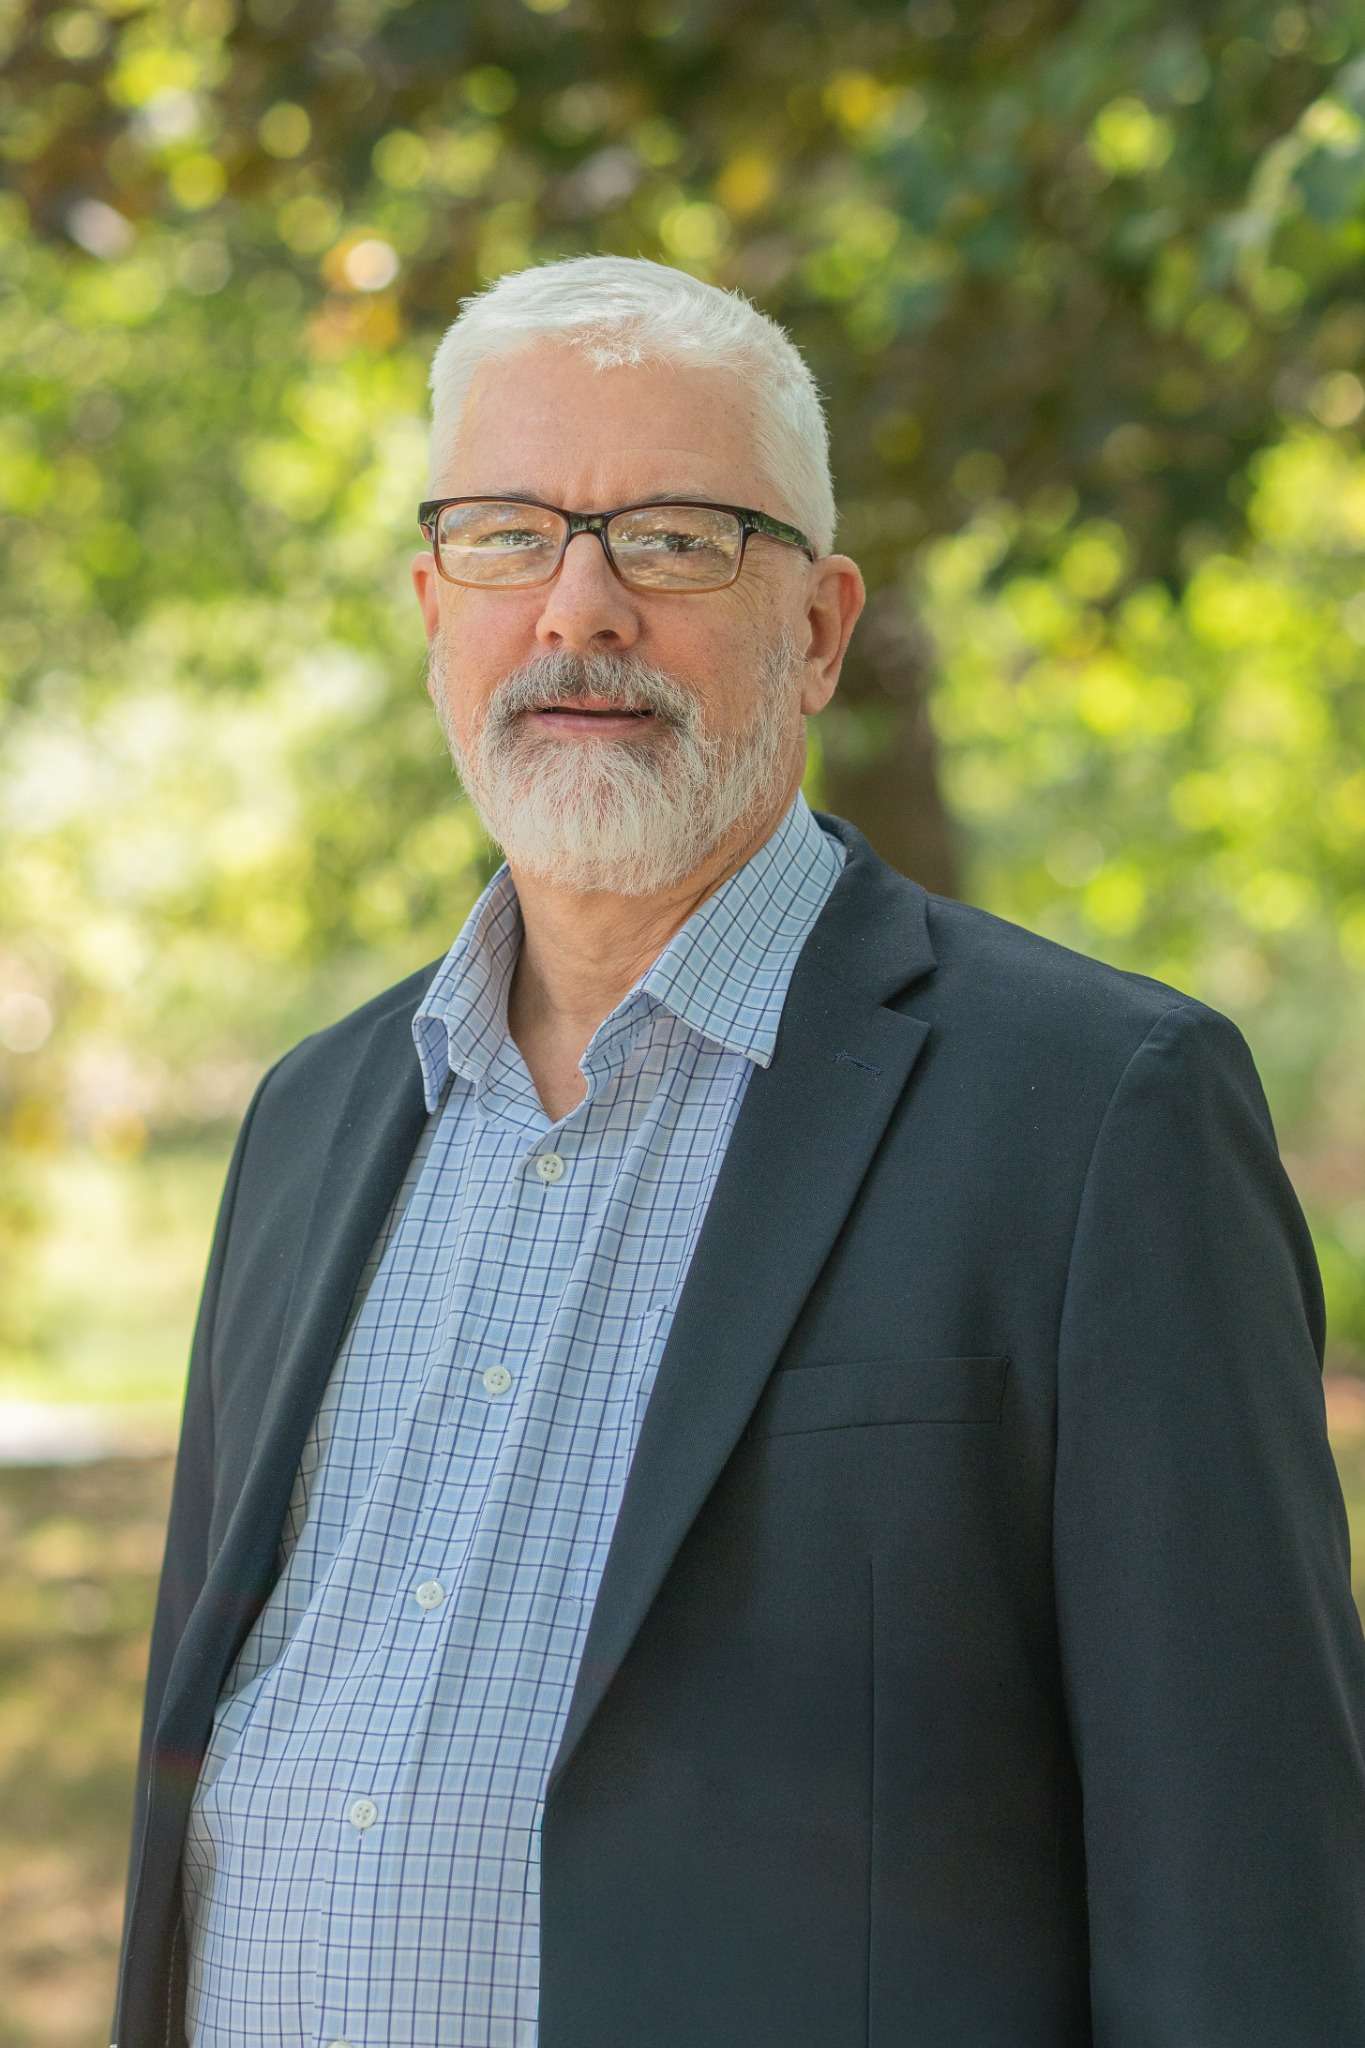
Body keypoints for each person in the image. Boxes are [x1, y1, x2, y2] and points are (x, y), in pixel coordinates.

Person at [112, 254, 1365, 2048]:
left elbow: (1247, 1892)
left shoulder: (1099, 1113)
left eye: (678, 539)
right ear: (428, 604)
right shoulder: (314, 1117)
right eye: (505, 535)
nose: (578, 611)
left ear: (821, 627)